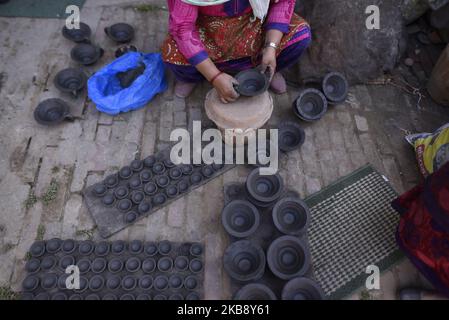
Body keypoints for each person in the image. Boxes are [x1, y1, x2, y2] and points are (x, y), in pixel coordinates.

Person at [161, 0, 311, 102]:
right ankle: (194, 76)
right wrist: (214, 77)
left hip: (253, 25)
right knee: (171, 52)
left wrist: (271, 47)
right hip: (208, 32)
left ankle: (269, 65)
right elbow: (183, 29)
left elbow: (283, 2)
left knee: (300, 36)